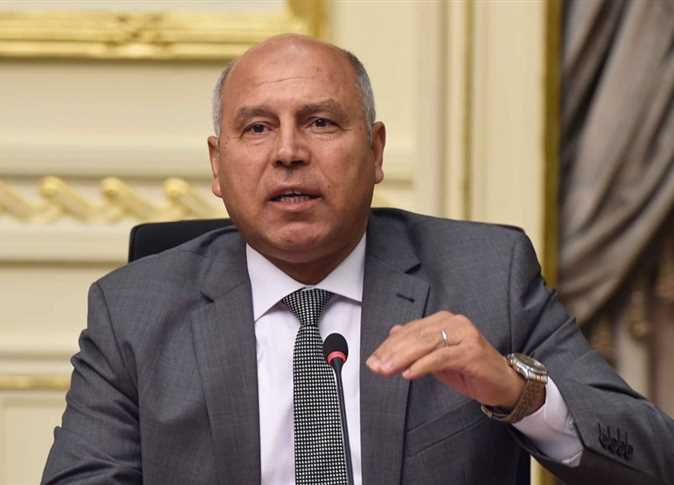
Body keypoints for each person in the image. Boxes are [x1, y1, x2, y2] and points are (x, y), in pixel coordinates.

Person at [42, 34, 674, 485]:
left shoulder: (488, 276)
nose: (288, 152)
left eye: (320, 122)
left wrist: (517, 391)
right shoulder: (133, 311)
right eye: (257, 128)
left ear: (375, 152)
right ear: (216, 164)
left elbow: (651, 457)